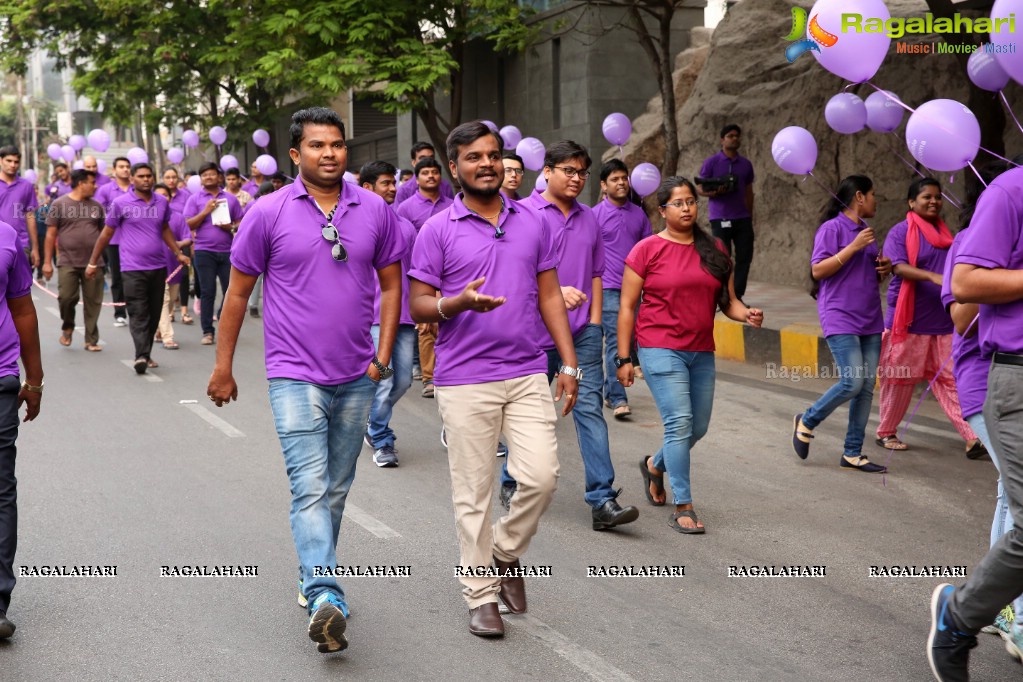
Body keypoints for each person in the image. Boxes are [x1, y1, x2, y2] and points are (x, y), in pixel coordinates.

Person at [207, 107, 403, 654]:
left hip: (358, 372)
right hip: (293, 373)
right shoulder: (267, 213)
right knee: (310, 485)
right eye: (317, 145)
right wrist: (222, 367)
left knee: (336, 488)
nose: (330, 154)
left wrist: (383, 354)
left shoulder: (376, 211)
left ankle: (311, 573)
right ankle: (325, 594)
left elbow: (392, 287)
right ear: (296, 154)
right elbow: (239, 293)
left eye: (337, 144)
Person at [408, 120, 578, 637]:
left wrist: (569, 363)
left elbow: (550, 294)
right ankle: (479, 594)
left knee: (543, 476)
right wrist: (456, 302)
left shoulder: (531, 221)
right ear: (454, 167)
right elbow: (418, 303)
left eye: (491, 155)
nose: (485, 163)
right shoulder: (437, 229)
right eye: (473, 157)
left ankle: (504, 553)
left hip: (527, 370)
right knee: (474, 493)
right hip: (464, 381)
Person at [498, 140, 640, 531]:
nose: (577, 179)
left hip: (582, 335)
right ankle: (512, 479)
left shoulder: (590, 218)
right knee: (529, 414)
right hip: (531, 333)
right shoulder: (520, 214)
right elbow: (509, 273)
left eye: (582, 173)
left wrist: (594, 322)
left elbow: (597, 273)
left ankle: (602, 500)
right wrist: (553, 293)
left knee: (590, 409)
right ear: (546, 171)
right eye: (569, 171)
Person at [618, 177, 762, 534]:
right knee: (679, 424)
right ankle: (684, 503)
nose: (686, 208)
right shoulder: (646, 250)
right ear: (662, 210)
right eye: (677, 203)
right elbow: (627, 306)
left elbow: (728, 303)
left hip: (701, 351)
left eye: (691, 202)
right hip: (658, 347)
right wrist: (624, 358)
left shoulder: (714, 249)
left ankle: (654, 465)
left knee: (697, 427)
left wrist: (748, 314)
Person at [929, 164, 1023, 678]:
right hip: (989, 377)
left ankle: (986, 606)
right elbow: (961, 313)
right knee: (1014, 497)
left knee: (1010, 496)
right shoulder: (984, 227)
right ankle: (1000, 610)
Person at [791, 175, 892, 474]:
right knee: (852, 381)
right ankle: (807, 420)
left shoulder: (867, 232)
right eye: (873, 194)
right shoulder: (832, 228)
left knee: (865, 389)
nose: (876, 200)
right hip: (840, 315)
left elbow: (866, 276)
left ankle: (852, 452)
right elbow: (819, 269)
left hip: (871, 317)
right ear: (859, 197)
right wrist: (853, 246)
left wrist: (883, 270)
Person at [874, 178, 980, 456]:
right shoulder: (900, 232)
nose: (934, 201)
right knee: (900, 379)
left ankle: (973, 438)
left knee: (953, 380)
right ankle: (886, 432)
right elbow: (897, 267)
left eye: (938, 197)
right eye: (926, 197)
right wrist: (934, 276)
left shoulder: (949, 236)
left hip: (944, 319)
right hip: (909, 321)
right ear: (911, 202)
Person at [85, 163, 190, 374]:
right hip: (132, 269)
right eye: (141, 176)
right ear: (132, 179)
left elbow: (165, 228)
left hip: (159, 267)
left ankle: (146, 352)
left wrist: (178, 253)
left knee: (153, 313)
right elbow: (106, 234)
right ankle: (141, 355)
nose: (146, 179)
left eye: (149, 176)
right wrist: (93, 261)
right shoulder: (120, 203)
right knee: (138, 311)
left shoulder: (161, 202)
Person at [0, 217, 43, 641]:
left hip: (0, 380)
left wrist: (35, 378)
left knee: (0, 489)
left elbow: (22, 306)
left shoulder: (6, 236)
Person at [359, 160, 417, 467]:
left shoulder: (406, 226)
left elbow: (418, 272)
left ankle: (370, 420)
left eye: (393, 182)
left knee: (404, 380)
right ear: (368, 188)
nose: (393, 188)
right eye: (386, 183)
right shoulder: (356, 226)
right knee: (382, 380)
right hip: (372, 316)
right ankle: (382, 438)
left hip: (405, 315)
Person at [595, 158, 651, 419]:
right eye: (614, 179)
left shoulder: (639, 214)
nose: (621, 183)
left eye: (623, 178)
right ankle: (618, 398)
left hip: (634, 289)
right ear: (604, 185)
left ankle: (609, 390)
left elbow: (649, 252)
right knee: (616, 345)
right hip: (607, 288)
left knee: (624, 342)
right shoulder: (593, 216)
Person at [398, 156, 454, 399]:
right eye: (425, 173)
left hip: (451, 275)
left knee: (451, 324)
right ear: (417, 178)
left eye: (434, 172)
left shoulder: (452, 205)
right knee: (426, 328)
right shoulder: (406, 208)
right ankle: (430, 378)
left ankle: (449, 375)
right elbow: (403, 244)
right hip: (420, 274)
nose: (431, 176)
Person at [42, 169, 105, 352]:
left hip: (94, 263)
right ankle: (68, 326)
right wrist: (47, 262)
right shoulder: (60, 204)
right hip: (67, 261)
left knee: (93, 301)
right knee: (67, 298)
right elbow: (50, 235)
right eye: (92, 182)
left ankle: (91, 340)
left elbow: (103, 234)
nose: (95, 186)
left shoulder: (97, 206)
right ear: (81, 183)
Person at [184, 162, 243, 346]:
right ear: (200, 179)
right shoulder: (194, 199)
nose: (208, 177)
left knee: (230, 291)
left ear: (219, 177)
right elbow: (189, 225)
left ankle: (224, 323)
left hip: (227, 251)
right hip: (204, 251)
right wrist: (206, 211)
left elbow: (241, 222)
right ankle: (207, 331)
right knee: (208, 291)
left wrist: (231, 227)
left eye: (211, 174)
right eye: (204, 175)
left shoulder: (230, 199)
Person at [697, 124, 755, 303]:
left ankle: (737, 295)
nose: (734, 139)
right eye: (730, 136)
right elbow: (700, 186)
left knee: (745, 256)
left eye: (737, 136)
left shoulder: (745, 164)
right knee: (722, 258)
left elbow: (748, 191)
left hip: (742, 218)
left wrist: (750, 215)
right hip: (720, 217)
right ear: (722, 140)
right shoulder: (712, 162)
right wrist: (712, 192)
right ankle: (722, 295)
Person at [153, 183, 192, 350]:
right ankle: (168, 337)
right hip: (155, 266)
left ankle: (159, 328)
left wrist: (178, 245)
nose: (162, 198)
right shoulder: (147, 216)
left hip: (174, 267)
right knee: (164, 299)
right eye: (158, 195)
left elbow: (188, 238)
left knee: (170, 302)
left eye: (166, 195)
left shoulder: (177, 217)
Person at [94, 157, 133, 327]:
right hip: (114, 240)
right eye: (121, 167)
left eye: (127, 166)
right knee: (117, 277)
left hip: (134, 240)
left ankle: (135, 310)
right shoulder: (105, 190)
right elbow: (98, 213)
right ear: (114, 169)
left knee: (134, 277)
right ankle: (119, 313)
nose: (125, 169)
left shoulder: (136, 188)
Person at [0, 147, 40, 270]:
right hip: (0, 242)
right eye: (9, 160)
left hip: (21, 243)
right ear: (1, 160)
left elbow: (30, 217)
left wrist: (35, 249)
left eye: (16, 162)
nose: (13, 165)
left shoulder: (26, 186)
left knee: (22, 287)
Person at [244, 181, 276, 318]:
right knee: (257, 278)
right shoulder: (253, 205)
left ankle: (262, 306)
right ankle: (253, 305)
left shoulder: (276, 203)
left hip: (273, 244)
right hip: (257, 244)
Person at [394, 141, 455, 206]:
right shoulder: (404, 190)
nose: (427, 161)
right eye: (422, 158)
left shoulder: (445, 185)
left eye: (431, 158)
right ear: (414, 163)